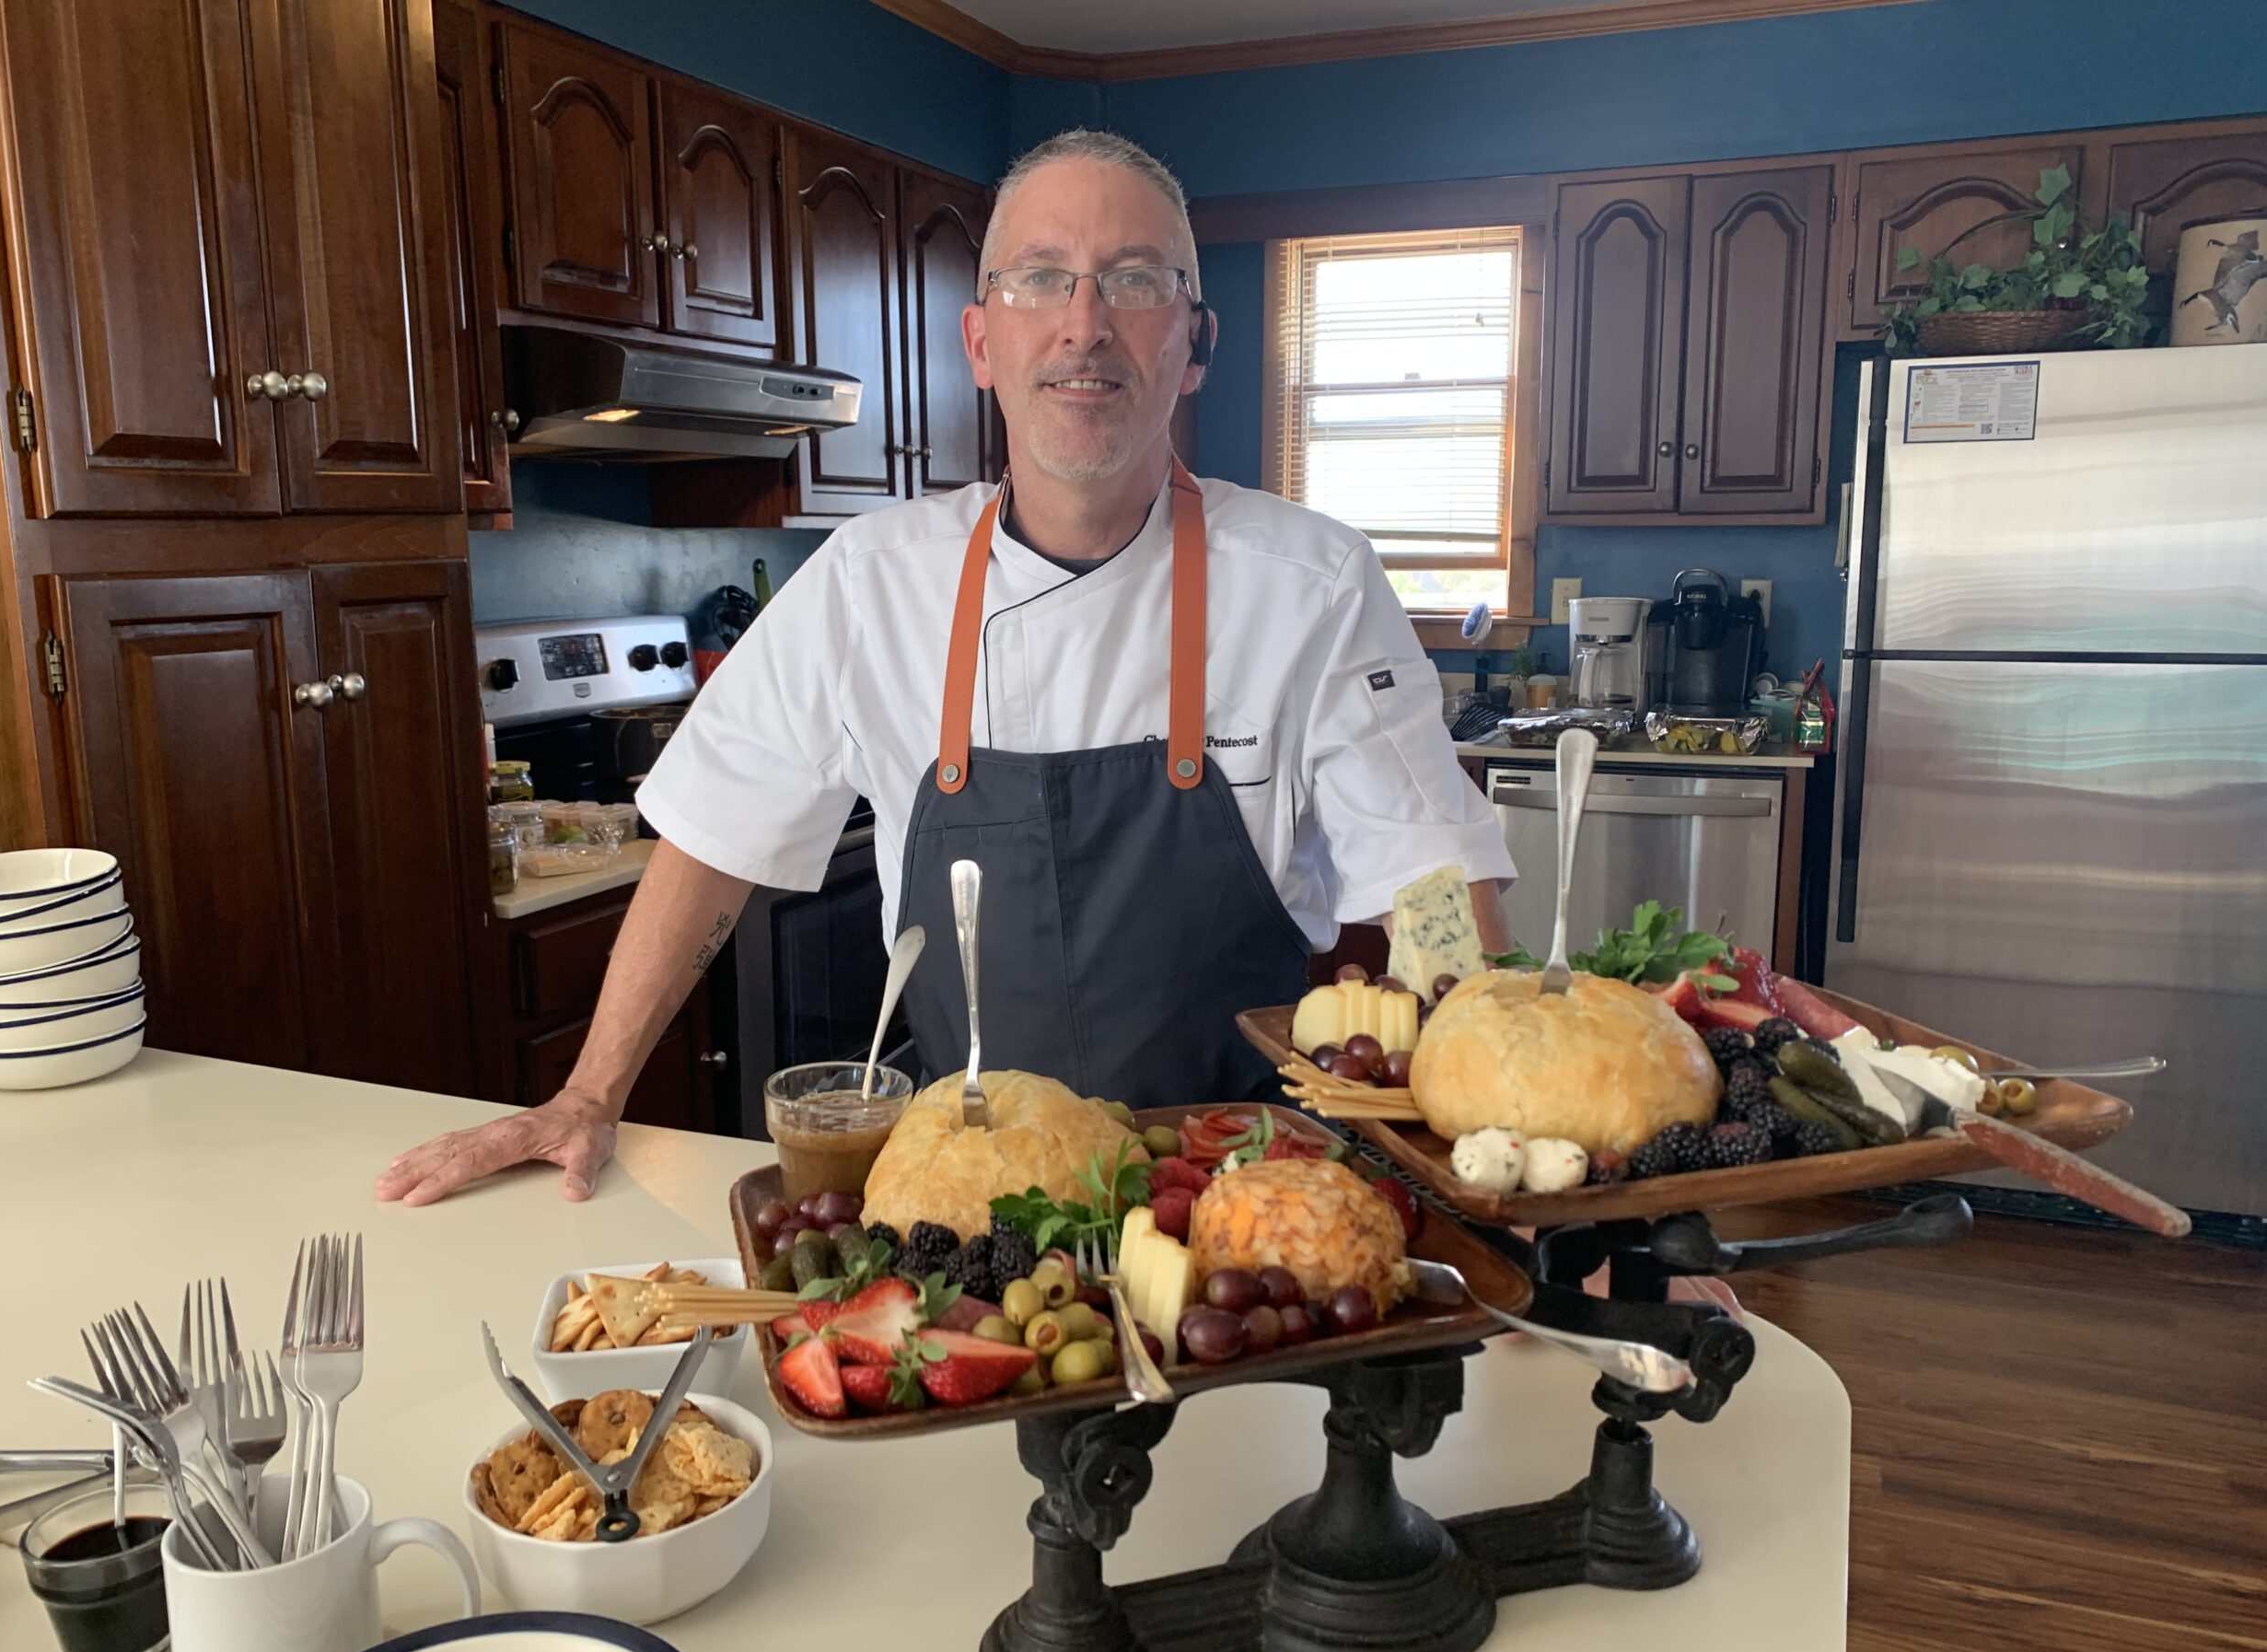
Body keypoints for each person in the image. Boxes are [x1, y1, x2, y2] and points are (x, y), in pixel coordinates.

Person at [378, 129, 1515, 1207]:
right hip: (962, 1198)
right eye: (1039, 279)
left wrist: (1500, 1130)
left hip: (1238, 1195)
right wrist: (587, 1097)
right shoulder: (869, 581)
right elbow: (710, 840)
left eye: (1134, 280)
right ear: (979, 343)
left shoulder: (1314, 583)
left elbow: (1427, 878)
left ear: (1195, 344)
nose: (1083, 324)